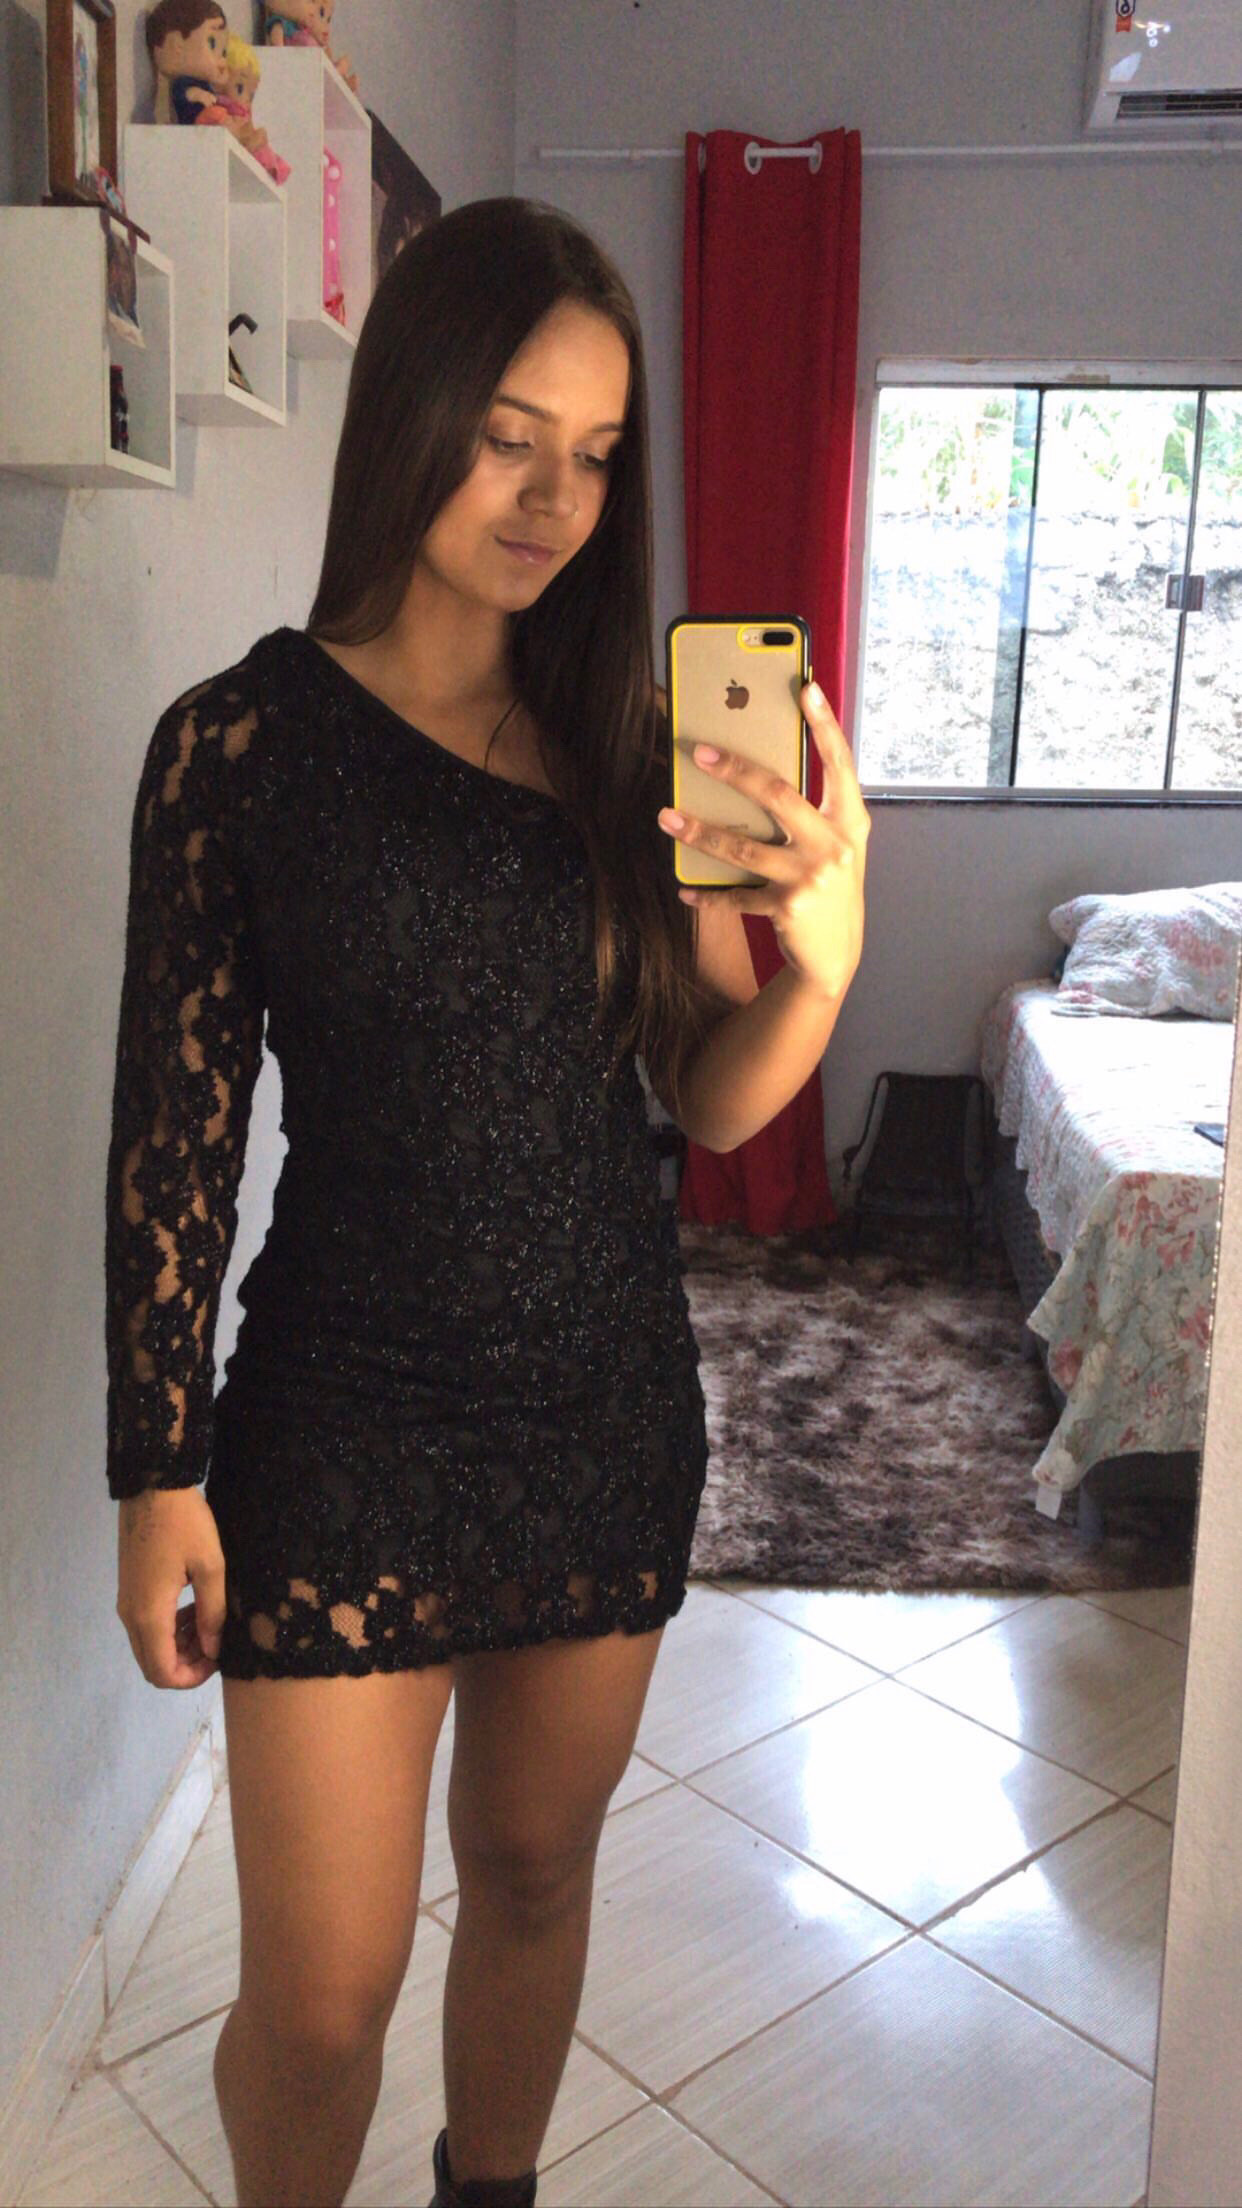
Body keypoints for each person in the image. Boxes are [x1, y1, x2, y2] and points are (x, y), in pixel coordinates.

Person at [104, 196, 869, 2208]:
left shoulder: (636, 746)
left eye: (597, 456)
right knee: (323, 1996)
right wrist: (155, 1467)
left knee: (533, 1871)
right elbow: (173, 1140)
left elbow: (709, 1096)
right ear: (415, 410)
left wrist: (824, 965)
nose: (553, 498)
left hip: (600, 1405)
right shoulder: (236, 748)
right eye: (511, 435)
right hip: (342, 1414)